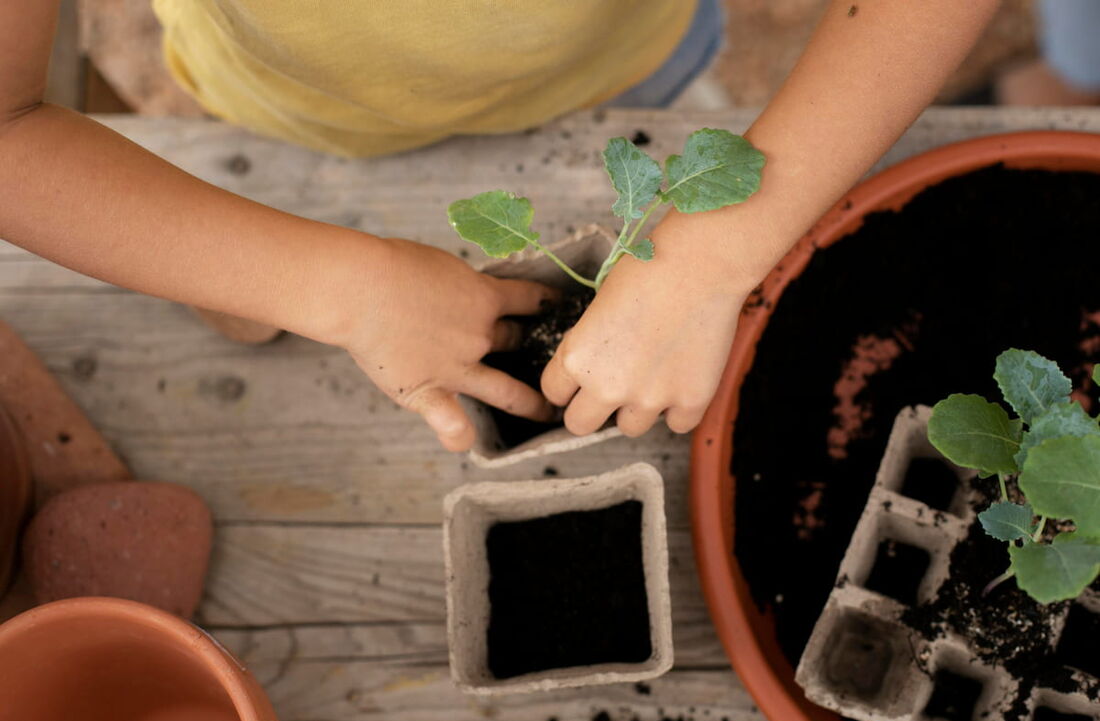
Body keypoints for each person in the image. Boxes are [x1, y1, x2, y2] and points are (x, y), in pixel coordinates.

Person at [1, 1, 1000, 451]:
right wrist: (332, 287)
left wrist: (716, 248)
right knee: (247, 234)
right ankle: (241, 275)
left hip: (624, 68)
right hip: (287, 110)